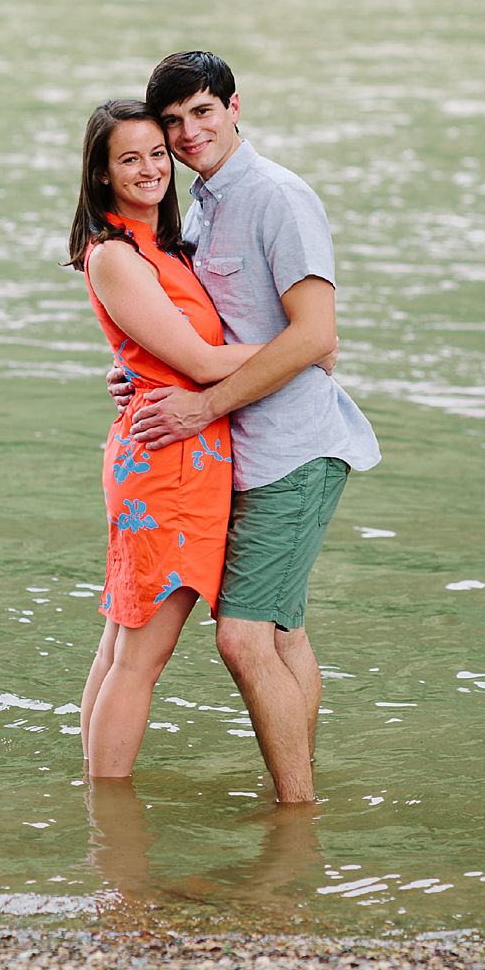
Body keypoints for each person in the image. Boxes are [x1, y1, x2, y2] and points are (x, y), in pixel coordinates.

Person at [117, 51, 380, 804]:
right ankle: (299, 793)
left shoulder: (279, 198)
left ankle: (295, 816)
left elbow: (313, 335)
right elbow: (209, 335)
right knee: (284, 634)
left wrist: (201, 406)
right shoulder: (201, 207)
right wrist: (149, 376)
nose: (189, 132)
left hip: (294, 449)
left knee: (241, 637)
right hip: (242, 452)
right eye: (173, 122)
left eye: (202, 111)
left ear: (235, 108)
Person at [68, 100, 266, 779]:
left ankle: (99, 814)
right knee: (138, 659)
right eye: (130, 158)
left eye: (158, 153)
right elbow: (204, 363)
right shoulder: (117, 255)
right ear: (101, 176)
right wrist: (300, 348)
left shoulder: (161, 249)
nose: (152, 168)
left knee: (121, 649)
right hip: (168, 463)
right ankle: (116, 849)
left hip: (172, 453)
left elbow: (157, 349)